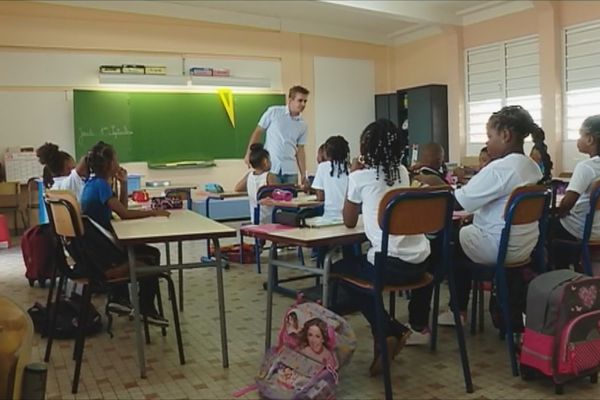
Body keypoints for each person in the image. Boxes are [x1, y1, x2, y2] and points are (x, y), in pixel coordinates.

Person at [331, 119, 431, 376]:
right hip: (420, 264)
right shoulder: (403, 172)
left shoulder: (360, 177)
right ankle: (385, 334)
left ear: (365, 148)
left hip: (389, 266)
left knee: (338, 269)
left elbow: (349, 221)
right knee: (364, 267)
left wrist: (353, 174)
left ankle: (389, 329)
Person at [437, 106, 545, 330]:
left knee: (449, 242)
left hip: (497, 247)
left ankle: (457, 311)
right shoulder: (531, 167)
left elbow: (458, 202)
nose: (487, 143)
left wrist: (437, 186)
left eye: (490, 136)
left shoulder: (500, 168)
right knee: (462, 235)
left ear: (505, 135)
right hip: (524, 246)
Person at [80, 141, 170, 325]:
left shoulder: (94, 183)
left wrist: (124, 184)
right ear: (109, 164)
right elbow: (125, 214)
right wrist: (153, 212)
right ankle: (144, 308)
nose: (118, 162)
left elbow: (122, 209)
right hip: (104, 251)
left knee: (142, 251)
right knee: (152, 255)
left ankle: (120, 298)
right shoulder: (101, 186)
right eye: (116, 158)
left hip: (98, 247)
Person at [553, 115, 600, 269]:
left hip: (585, 229)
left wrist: (560, 212)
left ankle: (558, 274)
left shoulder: (586, 166)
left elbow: (567, 203)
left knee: (545, 227)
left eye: (580, 135)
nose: (578, 140)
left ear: (590, 139)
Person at [244, 85, 310, 189]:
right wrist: (248, 153)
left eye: (305, 101)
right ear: (290, 100)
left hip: (290, 170)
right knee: (271, 200)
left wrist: (303, 174)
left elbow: (300, 150)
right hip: (271, 168)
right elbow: (258, 131)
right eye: (300, 100)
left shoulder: (303, 124)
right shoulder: (274, 112)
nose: (303, 104)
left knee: (290, 201)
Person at [234, 143, 276, 224]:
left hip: (255, 219)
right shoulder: (269, 176)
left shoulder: (249, 176)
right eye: (269, 160)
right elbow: (278, 194)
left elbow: (237, 188)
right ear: (265, 161)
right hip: (270, 219)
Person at [311, 135, 350, 220]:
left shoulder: (323, 167)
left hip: (329, 217)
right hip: (349, 217)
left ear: (327, 153)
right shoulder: (351, 168)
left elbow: (320, 197)